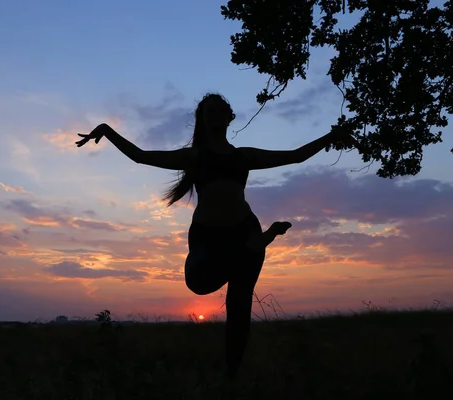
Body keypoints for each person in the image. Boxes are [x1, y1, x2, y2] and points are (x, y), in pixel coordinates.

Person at [76, 93, 356, 379]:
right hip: (209, 238)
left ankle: (231, 376)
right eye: (208, 111)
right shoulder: (194, 157)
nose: (214, 115)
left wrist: (330, 136)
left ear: (229, 117)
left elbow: (295, 156)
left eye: (219, 110)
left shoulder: (243, 156)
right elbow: (141, 157)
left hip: (243, 229)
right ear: (202, 119)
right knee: (196, 282)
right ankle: (262, 240)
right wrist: (107, 130)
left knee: (239, 309)